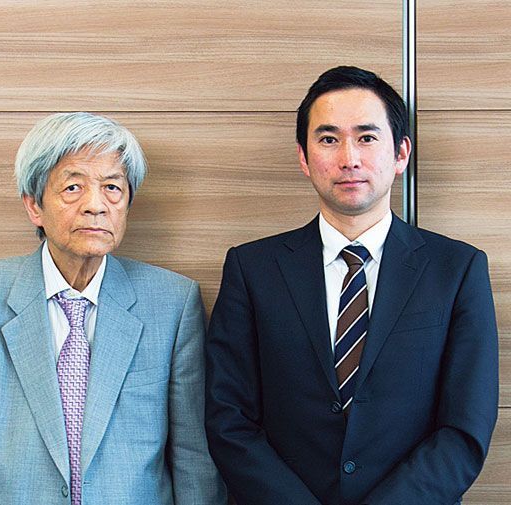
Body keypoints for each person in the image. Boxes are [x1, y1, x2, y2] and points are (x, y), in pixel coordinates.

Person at [205, 66, 498, 505]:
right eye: (328, 139)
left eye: (366, 137)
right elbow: (229, 419)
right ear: (304, 158)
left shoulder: (457, 270)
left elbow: (464, 430)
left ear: (401, 154)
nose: (349, 158)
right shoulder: (252, 268)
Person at [0, 112, 226, 505]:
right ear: (34, 206)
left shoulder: (173, 303)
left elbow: (194, 459)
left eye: (112, 187)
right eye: (73, 187)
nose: (96, 205)